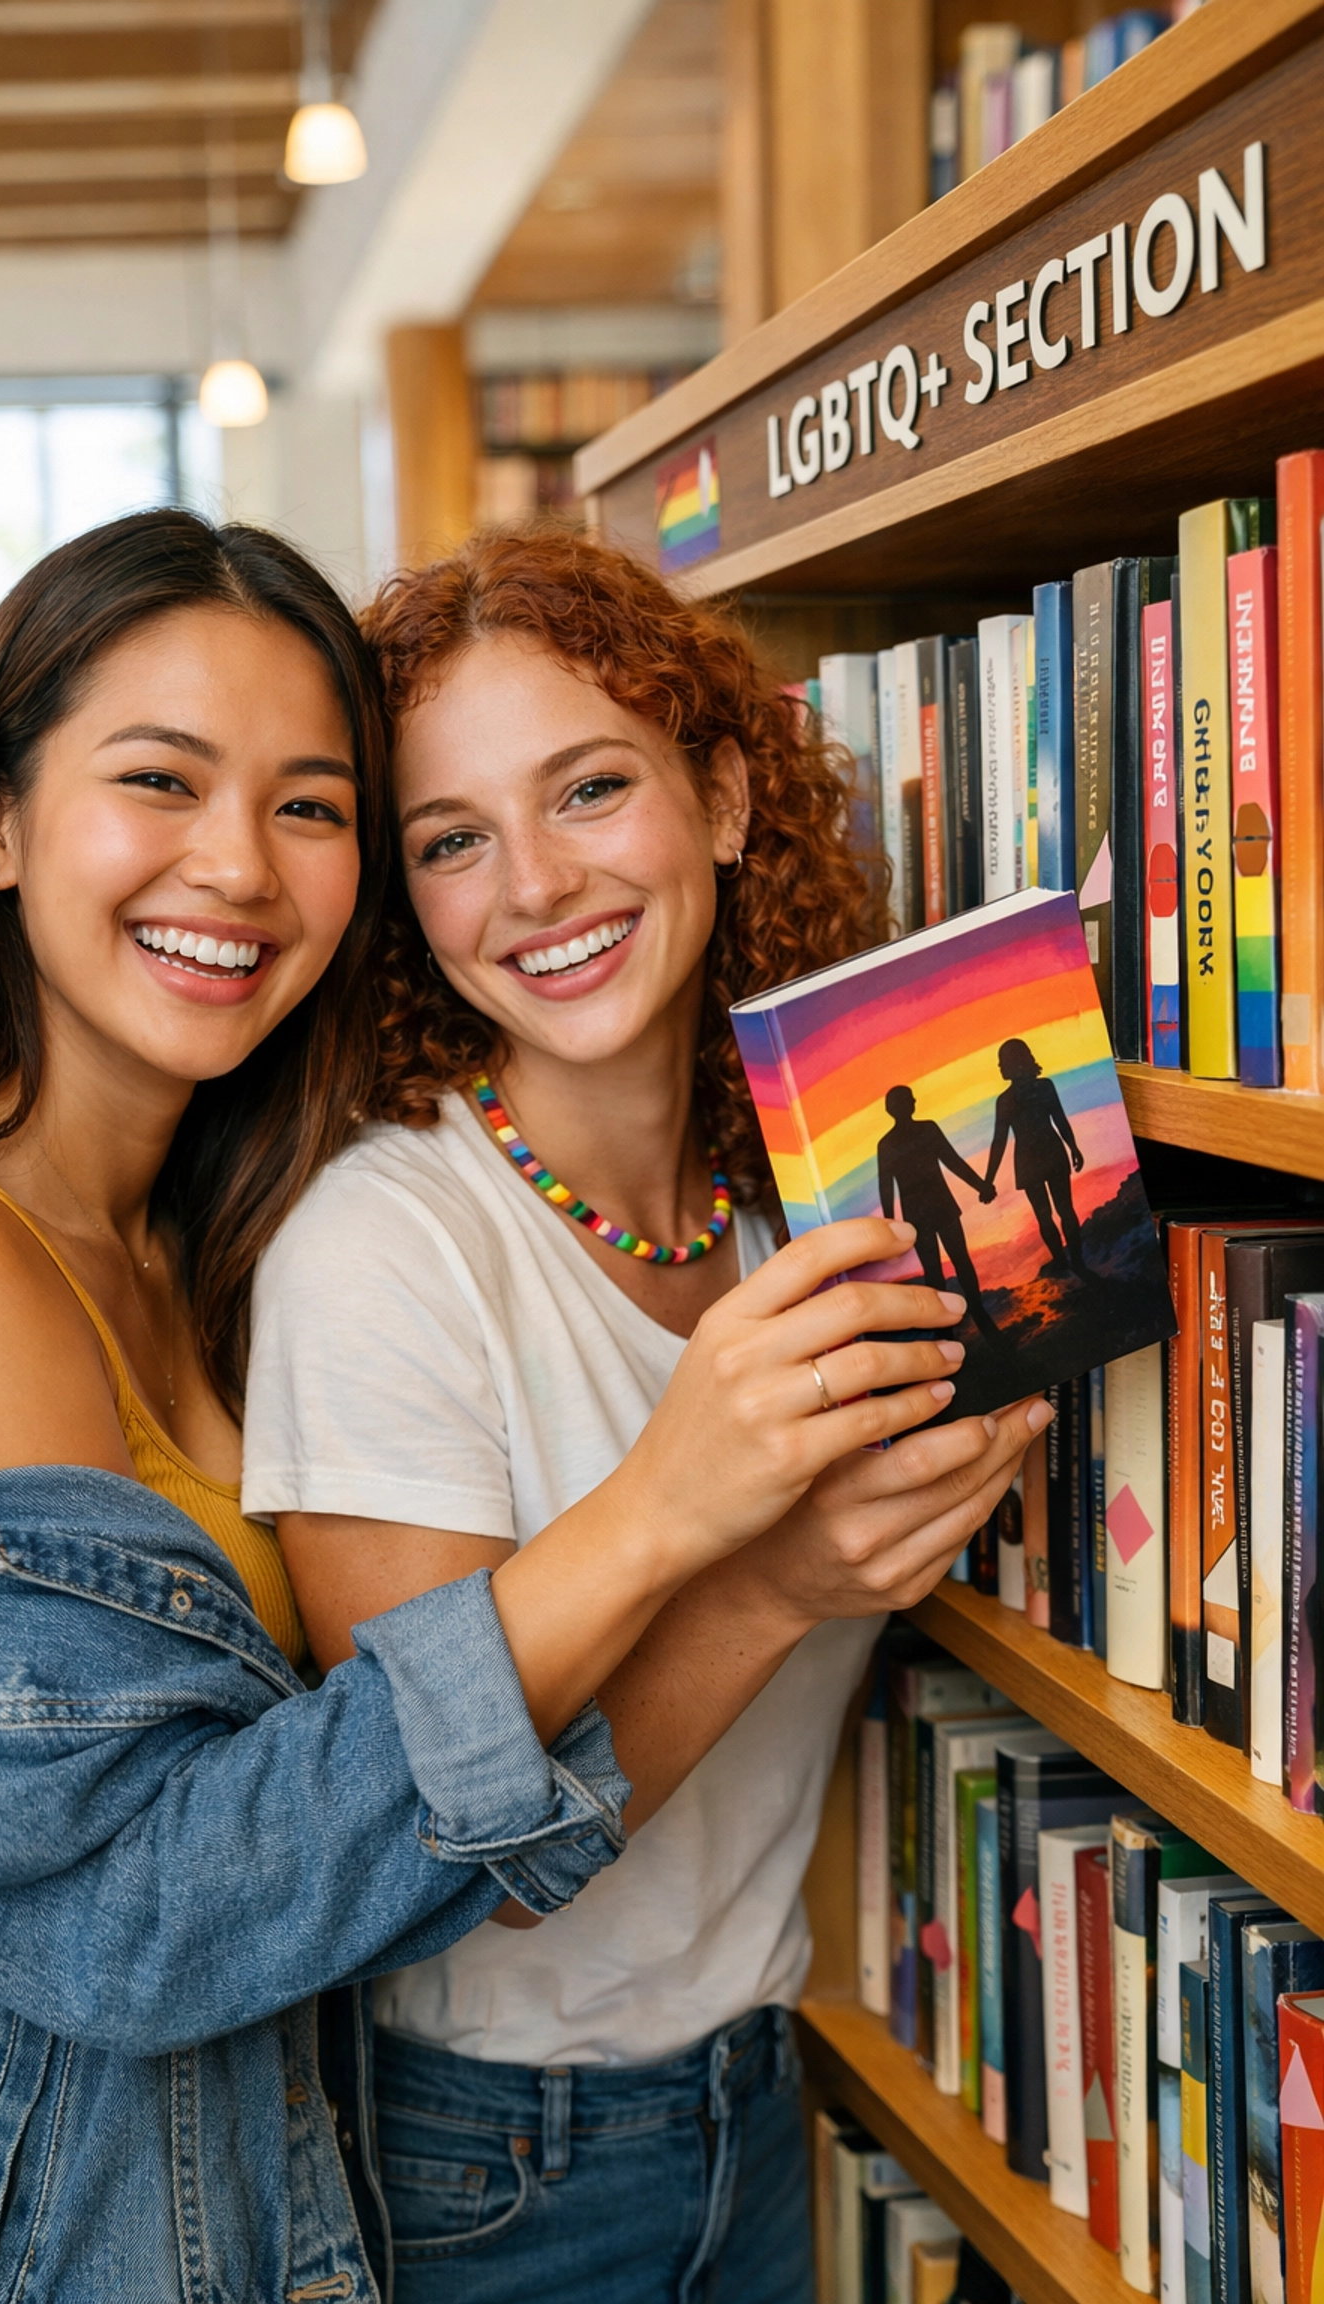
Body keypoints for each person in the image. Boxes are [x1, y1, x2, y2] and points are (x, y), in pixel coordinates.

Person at [0, 512, 975, 2304]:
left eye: (310, 804)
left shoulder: (189, 1227)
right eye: (159, 779)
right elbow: (151, 1911)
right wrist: (690, 1519)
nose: (240, 867)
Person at [243, 528, 1051, 2304]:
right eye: (451, 838)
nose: (532, 881)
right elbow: (441, 1864)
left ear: (731, 796)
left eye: (590, 786)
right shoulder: (380, 1247)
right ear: (407, 898)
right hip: (480, 2160)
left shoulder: (810, 1195)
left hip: (765, 2093)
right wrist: (778, 1577)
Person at [876, 1083, 1000, 1338]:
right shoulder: (913, 1134)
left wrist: (892, 1229)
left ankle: (961, 1320)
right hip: (933, 1208)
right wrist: (982, 1185)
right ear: (904, 1106)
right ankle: (962, 1319)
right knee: (953, 1263)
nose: (912, 1102)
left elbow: (887, 1188)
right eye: (909, 1099)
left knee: (942, 1268)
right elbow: (887, 1187)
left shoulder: (891, 1142)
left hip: (927, 1209)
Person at [982, 1035, 1090, 1278]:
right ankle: (1075, 1262)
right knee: (1064, 1210)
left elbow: (999, 1142)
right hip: (1050, 1152)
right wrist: (1072, 1147)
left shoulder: (1007, 1100)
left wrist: (988, 1179)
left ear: (1012, 1063)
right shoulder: (1044, 1087)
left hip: (1030, 1160)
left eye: (1002, 1062)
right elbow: (1059, 1120)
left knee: (1047, 1214)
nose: (999, 1067)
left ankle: (1065, 1262)